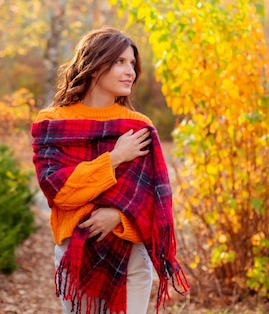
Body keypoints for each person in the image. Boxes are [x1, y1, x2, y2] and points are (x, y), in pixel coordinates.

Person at [31, 27, 189, 314]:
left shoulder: (139, 127)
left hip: (129, 258)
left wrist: (117, 216)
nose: (130, 71)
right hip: (75, 252)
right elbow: (60, 191)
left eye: (132, 64)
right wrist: (114, 158)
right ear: (94, 65)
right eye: (120, 62)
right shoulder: (52, 123)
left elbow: (152, 200)